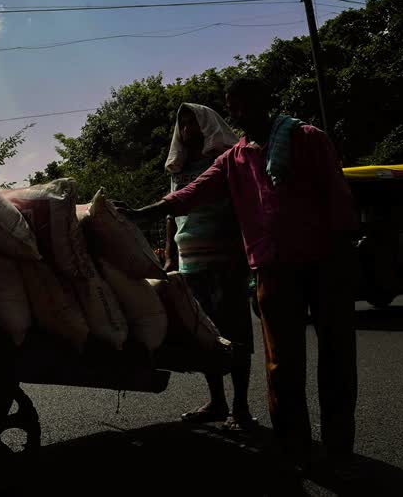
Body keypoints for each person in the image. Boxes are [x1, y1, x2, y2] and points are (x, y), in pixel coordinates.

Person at [126, 76, 358, 474]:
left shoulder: (307, 138)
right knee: (281, 363)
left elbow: (338, 197)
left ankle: (338, 450)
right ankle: (293, 443)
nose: (238, 112)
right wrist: (139, 212)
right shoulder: (234, 158)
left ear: (267, 101)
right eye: (233, 106)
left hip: (325, 264)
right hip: (272, 269)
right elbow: (191, 194)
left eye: (245, 103)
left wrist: (344, 254)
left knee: (336, 358)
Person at [163, 103, 255, 432]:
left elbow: (244, 207)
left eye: (194, 123)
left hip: (225, 256)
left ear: (207, 125)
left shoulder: (227, 162)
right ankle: (217, 401)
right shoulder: (180, 168)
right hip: (191, 261)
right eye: (183, 125)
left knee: (236, 333)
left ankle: (241, 407)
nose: (188, 130)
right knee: (207, 334)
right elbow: (172, 213)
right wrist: (170, 255)